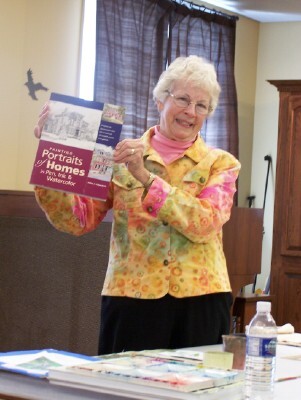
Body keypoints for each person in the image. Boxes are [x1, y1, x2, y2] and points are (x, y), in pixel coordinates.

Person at [34, 55, 241, 355]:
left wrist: (145, 178)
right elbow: (77, 220)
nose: (190, 111)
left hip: (203, 300)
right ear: (160, 100)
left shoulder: (221, 163)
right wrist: (50, 153)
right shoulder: (114, 155)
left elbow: (204, 222)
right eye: (182, 98)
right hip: (131, 298)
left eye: (201, 105)